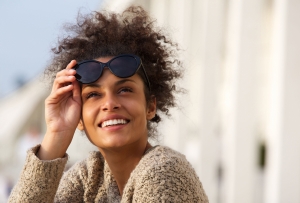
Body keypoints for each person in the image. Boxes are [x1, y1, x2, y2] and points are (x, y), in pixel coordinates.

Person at [8, 6, 208, 202]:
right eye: (94, 94)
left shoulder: (164, 171)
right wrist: (57, 133)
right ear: (79, 117)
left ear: (150, 106)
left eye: (124, 90)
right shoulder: (91, 177)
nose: (110, 104)